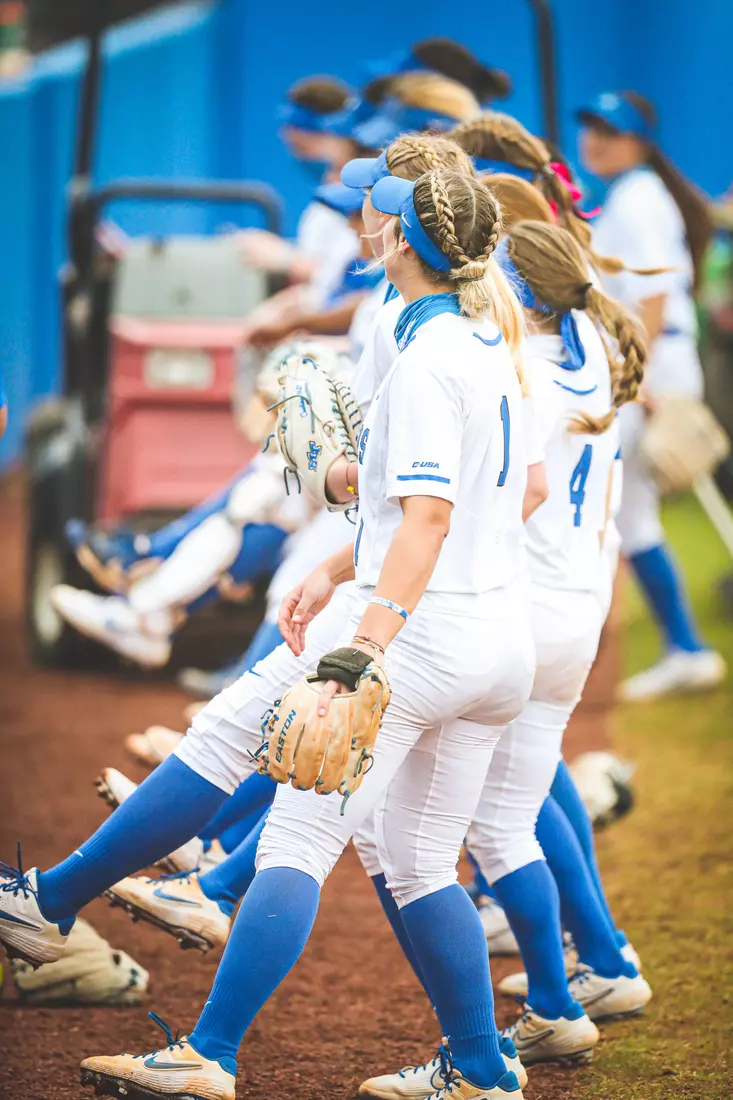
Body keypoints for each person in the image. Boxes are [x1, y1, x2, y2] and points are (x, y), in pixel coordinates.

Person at [1, 167, 532, 1100]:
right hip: (494, 639)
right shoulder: (484, 341)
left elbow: (427, 519)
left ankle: (193, 1039)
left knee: (278, 816)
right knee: (410, 859)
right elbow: (413, 500)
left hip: (411, 634)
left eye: (381, 212)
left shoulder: (421, 357)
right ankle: (482, 1066)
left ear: (402, 238)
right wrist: (332, 542)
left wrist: (358, 645)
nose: (364, 220)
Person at [577, 90, 725, 700]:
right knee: (626, 515)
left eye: (609, 131)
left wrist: (631, 383)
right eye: (589, 128)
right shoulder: (634, 196)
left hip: (650, 377)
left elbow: (655, 304)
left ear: (638, 140)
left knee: (612, 512)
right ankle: (685, 647)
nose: (594, 140)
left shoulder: (638, 199)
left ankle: (682, 647)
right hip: (654, 372)